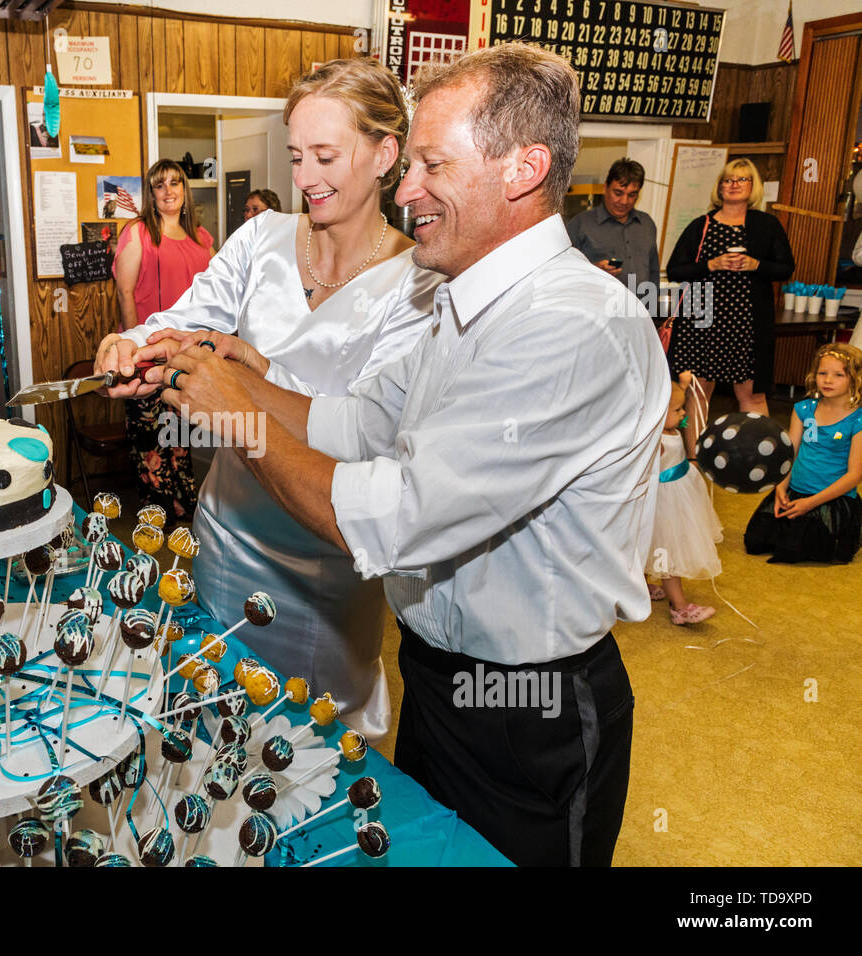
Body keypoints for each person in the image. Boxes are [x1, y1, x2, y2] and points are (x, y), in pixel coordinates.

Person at [146, 43, 670, 866]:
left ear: (523, 169)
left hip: (529, 706)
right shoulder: (465, 299)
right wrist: (248, 381)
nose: (408, 188)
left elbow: (394, 515)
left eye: (431, 164)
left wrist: (241, 420)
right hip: (437, 680)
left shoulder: (571, 325)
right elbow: (358, 421)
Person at [95, 58, 439, 741]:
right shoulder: (261, 241)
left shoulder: (419, 283)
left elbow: (371, 433)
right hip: (227, 528)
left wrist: (256, 367)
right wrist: (130, 344)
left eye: (325, 156)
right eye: (294, 156)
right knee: (212, 715)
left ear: (385, 154)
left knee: (309, 746)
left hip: (327, 556)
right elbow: (189, 316)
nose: (304, 177)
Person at [111, 159, 216, 520]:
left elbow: (215, 300)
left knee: (180, 435)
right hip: (147, 355)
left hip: (188, 356)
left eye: (175, 183)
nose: (169, 190)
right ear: (151, 194)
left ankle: (186, 506)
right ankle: (156, 516)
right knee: (150, 441)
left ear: (185, 191)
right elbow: (125, 291)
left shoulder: (203, 239)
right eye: (160, 185)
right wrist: (136, 352)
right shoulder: (139, 232)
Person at [666, 159, 795, 440]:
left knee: (751, 395)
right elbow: (675, 269)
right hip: (701, 317)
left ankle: (761, 458)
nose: (733, 185)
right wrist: (711, 265)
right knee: (698, 393)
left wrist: (756, 265)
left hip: (746, 322)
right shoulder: (702, 225)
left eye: (742, 179)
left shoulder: (766, 225)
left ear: (753, 186)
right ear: (720, 187)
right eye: (728, 180)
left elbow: (786, 268)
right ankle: (696, 462)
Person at [745, 343, 862, 563]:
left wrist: (811, 503)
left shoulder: (858, 419)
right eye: (822, 373)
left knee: (799, 550)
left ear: (855, 379)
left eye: (838, 375)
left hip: (830, 498)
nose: (828, 380)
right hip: (795, 491)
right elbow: (790, 454)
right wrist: (780, 488)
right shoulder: (803, 409)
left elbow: (855, 475)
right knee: (755, 542)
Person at [647, 374, 721, 624]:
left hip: (680, 495)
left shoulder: (672, 430)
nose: (683, 415)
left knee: (652, 547)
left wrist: (685, 387)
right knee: (667, 551)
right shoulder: (656, 441)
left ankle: (642, 584)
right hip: (663, 503)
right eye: (678, 410)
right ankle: (679, 607)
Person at [565, 157, 659, 293]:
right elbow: (563, 272)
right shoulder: (580, 225)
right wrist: (594, 269)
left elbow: (653, 273)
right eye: (618, 193)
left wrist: (653, 311)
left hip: (640, 311)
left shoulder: (646, 223)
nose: (624, 201)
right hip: (597, 310)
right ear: (605, 188)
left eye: (632, 195)